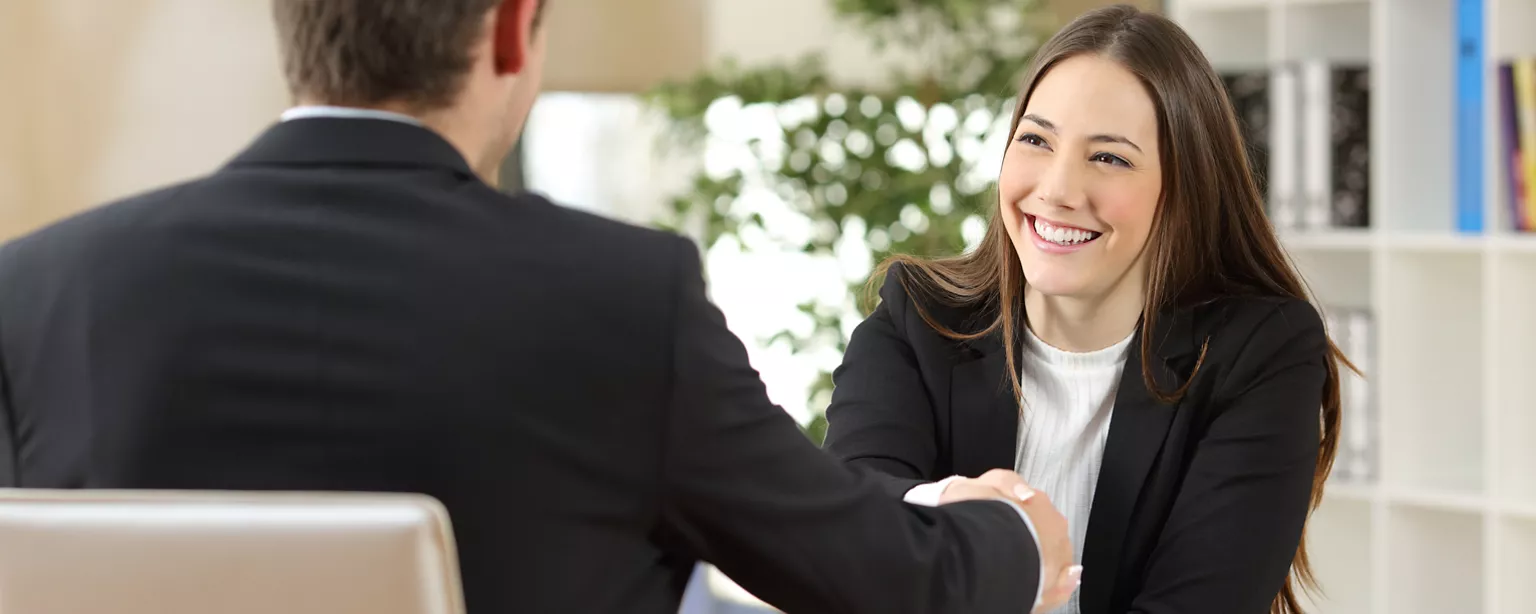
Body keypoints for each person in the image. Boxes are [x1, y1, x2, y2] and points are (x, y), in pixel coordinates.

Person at [0, 1, 1082, 613]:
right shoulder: (621, 297)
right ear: (514, 32)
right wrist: (1018, 533)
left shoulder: (40, 288)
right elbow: (883, 584)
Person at [822, 5, 1353, 614]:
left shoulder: (1257, 351)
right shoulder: (917, 318)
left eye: (1110, 157)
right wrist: (947, 504)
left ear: (1184, 188)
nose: (1057, 190)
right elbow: (849, 522)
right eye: (1035, 140)